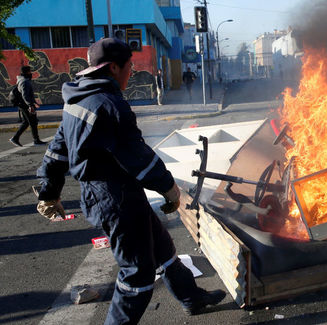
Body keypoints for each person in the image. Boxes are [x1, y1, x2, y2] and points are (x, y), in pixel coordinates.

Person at [35, 38, 225, 324]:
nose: (132, 72)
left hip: (115, 194)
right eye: (129, 66)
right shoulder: (109, 104)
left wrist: (49, 191)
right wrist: (169, 188)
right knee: (137, 275)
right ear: (113, 67)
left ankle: (191, 298)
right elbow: (137, 156)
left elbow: (57, 149)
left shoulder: (77, 100)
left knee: (163, 248)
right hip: (116, 199)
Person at [9, 66, 46, 146]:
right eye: (30, 71)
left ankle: (15, 138)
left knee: (26, 122)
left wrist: (34, 102)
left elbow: (28, 95)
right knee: (33, 122)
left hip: (24, 104)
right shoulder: (24, 82)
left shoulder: (22, 80)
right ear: (27, 72)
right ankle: (36, 140)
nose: (31, 73)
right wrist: (30, 105)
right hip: (25, 105)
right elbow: (25, 96)